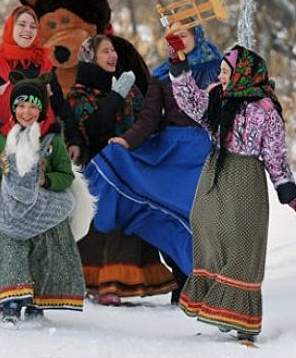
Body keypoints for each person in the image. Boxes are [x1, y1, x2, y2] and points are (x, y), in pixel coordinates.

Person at [170, 42, 296, 343]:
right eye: (220, 71)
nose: (220, 77)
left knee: (242, 243)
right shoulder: (220, 99)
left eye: (225, 72)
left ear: (243, 74)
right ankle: (220, 306)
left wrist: (289, 193)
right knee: (204, 226)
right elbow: (190, 102)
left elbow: (275, 154)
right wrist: (178, 64)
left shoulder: (266, 109)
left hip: (246, 178)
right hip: (215, 173)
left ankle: (244, 323)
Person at [86, 22, 222, 304]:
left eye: (183, 35)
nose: (178, 41)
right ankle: (184, 282)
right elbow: (148, 119)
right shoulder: (161, 74)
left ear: (196, 35)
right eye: (173, 37)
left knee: (197, 216)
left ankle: (207, 282)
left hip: (203, 150)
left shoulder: (216, 67)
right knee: (167, 212)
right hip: (171, 150)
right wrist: (127, 142)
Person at [67, 35, 177, 306]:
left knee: (127, 221)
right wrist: (116, 95)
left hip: (129, 167)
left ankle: (120, 282)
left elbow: (146, 123)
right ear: (91, 56)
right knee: (100, 222)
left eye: (113, 51)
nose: (112, 56)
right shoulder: (79, 94)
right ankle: (95, 282)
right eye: (105, 51)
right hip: (97, 167)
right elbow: (92, 129)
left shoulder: (130, 89)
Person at [0, 72, 85, 324]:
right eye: (21, 105)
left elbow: (66, 175)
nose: (26, 112)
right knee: (10, 250)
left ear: (41, 110)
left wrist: (47, 181)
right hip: (8, 209)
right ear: (13, 109)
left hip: (41, 211)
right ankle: (10, 301)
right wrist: (3, 177)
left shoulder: (52, 142)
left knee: (40, 254)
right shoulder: (0, 140)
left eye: (33, 106)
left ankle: (35, 300)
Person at [0, 5, 83, 161]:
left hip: (44, 151)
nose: (28, 30)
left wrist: (74, 140)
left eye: (33, 26)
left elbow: (60, 107)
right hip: (5, 151)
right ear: (11, 27)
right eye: (22, 24)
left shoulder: (46, 66)